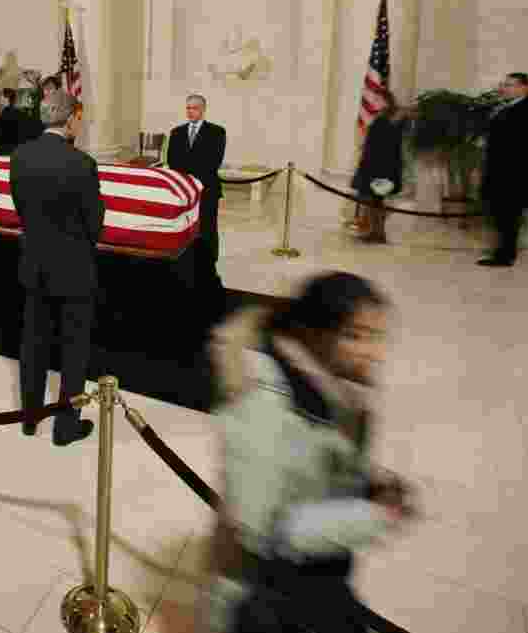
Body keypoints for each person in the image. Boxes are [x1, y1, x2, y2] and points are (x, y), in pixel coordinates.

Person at [207, 272, 416, 633]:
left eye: (377, 337)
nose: (375, 353)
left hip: (315, 581)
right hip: (263, 598)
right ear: (315, 334)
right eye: (356, 336)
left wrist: (368, 484)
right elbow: (262, 530)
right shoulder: (263, 406)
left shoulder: (331, 390)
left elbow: (319, 463)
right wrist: (373, 515)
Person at [9, 91, 102, 446]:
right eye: (79, 117)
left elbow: (21, 209)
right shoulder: (82, 164)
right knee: (73, 351)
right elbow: (94, 225)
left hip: (34, 264)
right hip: (74, 269)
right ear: (70, 118)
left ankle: (30, 419)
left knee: (33, 345)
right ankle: (65, 428)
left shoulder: (20, 157)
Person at [478, 72, 528, 267]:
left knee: (509, 218)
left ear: (525, 88)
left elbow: (522, 147)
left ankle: (505, 256)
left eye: (510, 85)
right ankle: (503, 251)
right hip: (500, 172)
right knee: (502, 216)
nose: (505, 88)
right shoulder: (508, 107)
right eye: (505, 84)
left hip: (513, 175)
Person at [166, 94, 227, 265]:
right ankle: (187, 258)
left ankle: (209, 260)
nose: (190, 112)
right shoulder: (176, 132)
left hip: (207, 188)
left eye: (194, 108)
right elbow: (172, 160)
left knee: (208, 226)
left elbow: (214, 160)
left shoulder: (217, 132)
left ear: (203, 110)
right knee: (186, 225)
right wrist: (187, 180)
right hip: (184, 189)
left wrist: (192, 176)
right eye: (188, 108)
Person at [349, 92, 411, 243]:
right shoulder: (383, 118)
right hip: (372, 165)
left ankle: (378, 232)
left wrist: (403, 113)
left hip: (383, 167)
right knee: (374, 201)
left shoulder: (394, 119)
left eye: (378, 99)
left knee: (378, 200)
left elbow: (390, 142)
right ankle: (375, 231)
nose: (375, 102)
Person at [0, 87, 23, 154]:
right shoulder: (17, 112)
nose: (0, 98)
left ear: (7, 98)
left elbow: (1, 132)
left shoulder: (5, 113)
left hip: (6, 148)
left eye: (2, 96)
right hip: (15, 147)